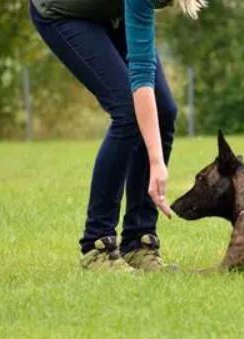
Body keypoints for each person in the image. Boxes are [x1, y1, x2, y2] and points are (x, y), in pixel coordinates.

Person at [29, 0, 208, 272]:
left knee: (164, 111)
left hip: (112, 12)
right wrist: (156, 162)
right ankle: (97, 246)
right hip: (62, 12)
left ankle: (139, 242)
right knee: (126, 110)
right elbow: (141, 76)